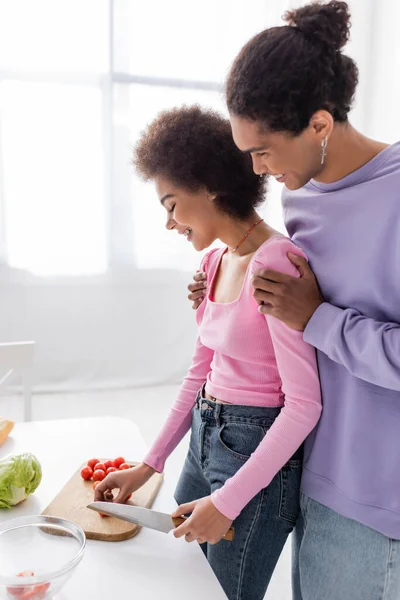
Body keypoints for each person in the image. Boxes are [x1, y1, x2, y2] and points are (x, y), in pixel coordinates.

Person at [187, 2, 400, 599]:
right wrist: (226, 285)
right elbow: (289, 311)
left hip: (379, 495)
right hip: (310, 467)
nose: (255, 169)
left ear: (320, 125)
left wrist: (319, 319)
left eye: (263, 152)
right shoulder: (300, 194)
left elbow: (314, 315)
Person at [94, 105, 322, 600]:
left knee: (222, 593)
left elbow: (305, 405)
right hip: (206, 437)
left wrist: (230, 500)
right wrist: (150, 463)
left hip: (253, 453)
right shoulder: (215, 261)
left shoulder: (277, 263)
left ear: (211, 186)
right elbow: (200, 372)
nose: (169, 223)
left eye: (171, 204)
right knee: (186, 582)